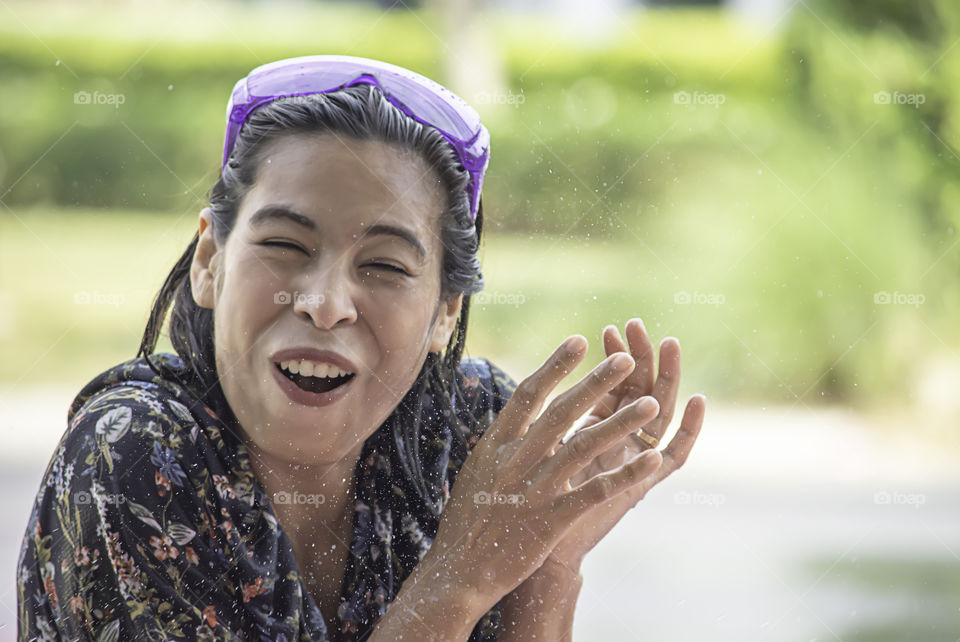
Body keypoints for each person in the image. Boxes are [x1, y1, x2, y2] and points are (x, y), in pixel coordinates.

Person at [17, 55, 706, 641]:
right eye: (285, 245)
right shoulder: (133, 453)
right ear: (209, 260)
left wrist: (550, 563)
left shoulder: (469, 435)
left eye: (384, 266)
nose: (324, 303)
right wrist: (458, 582)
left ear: (445, 313)